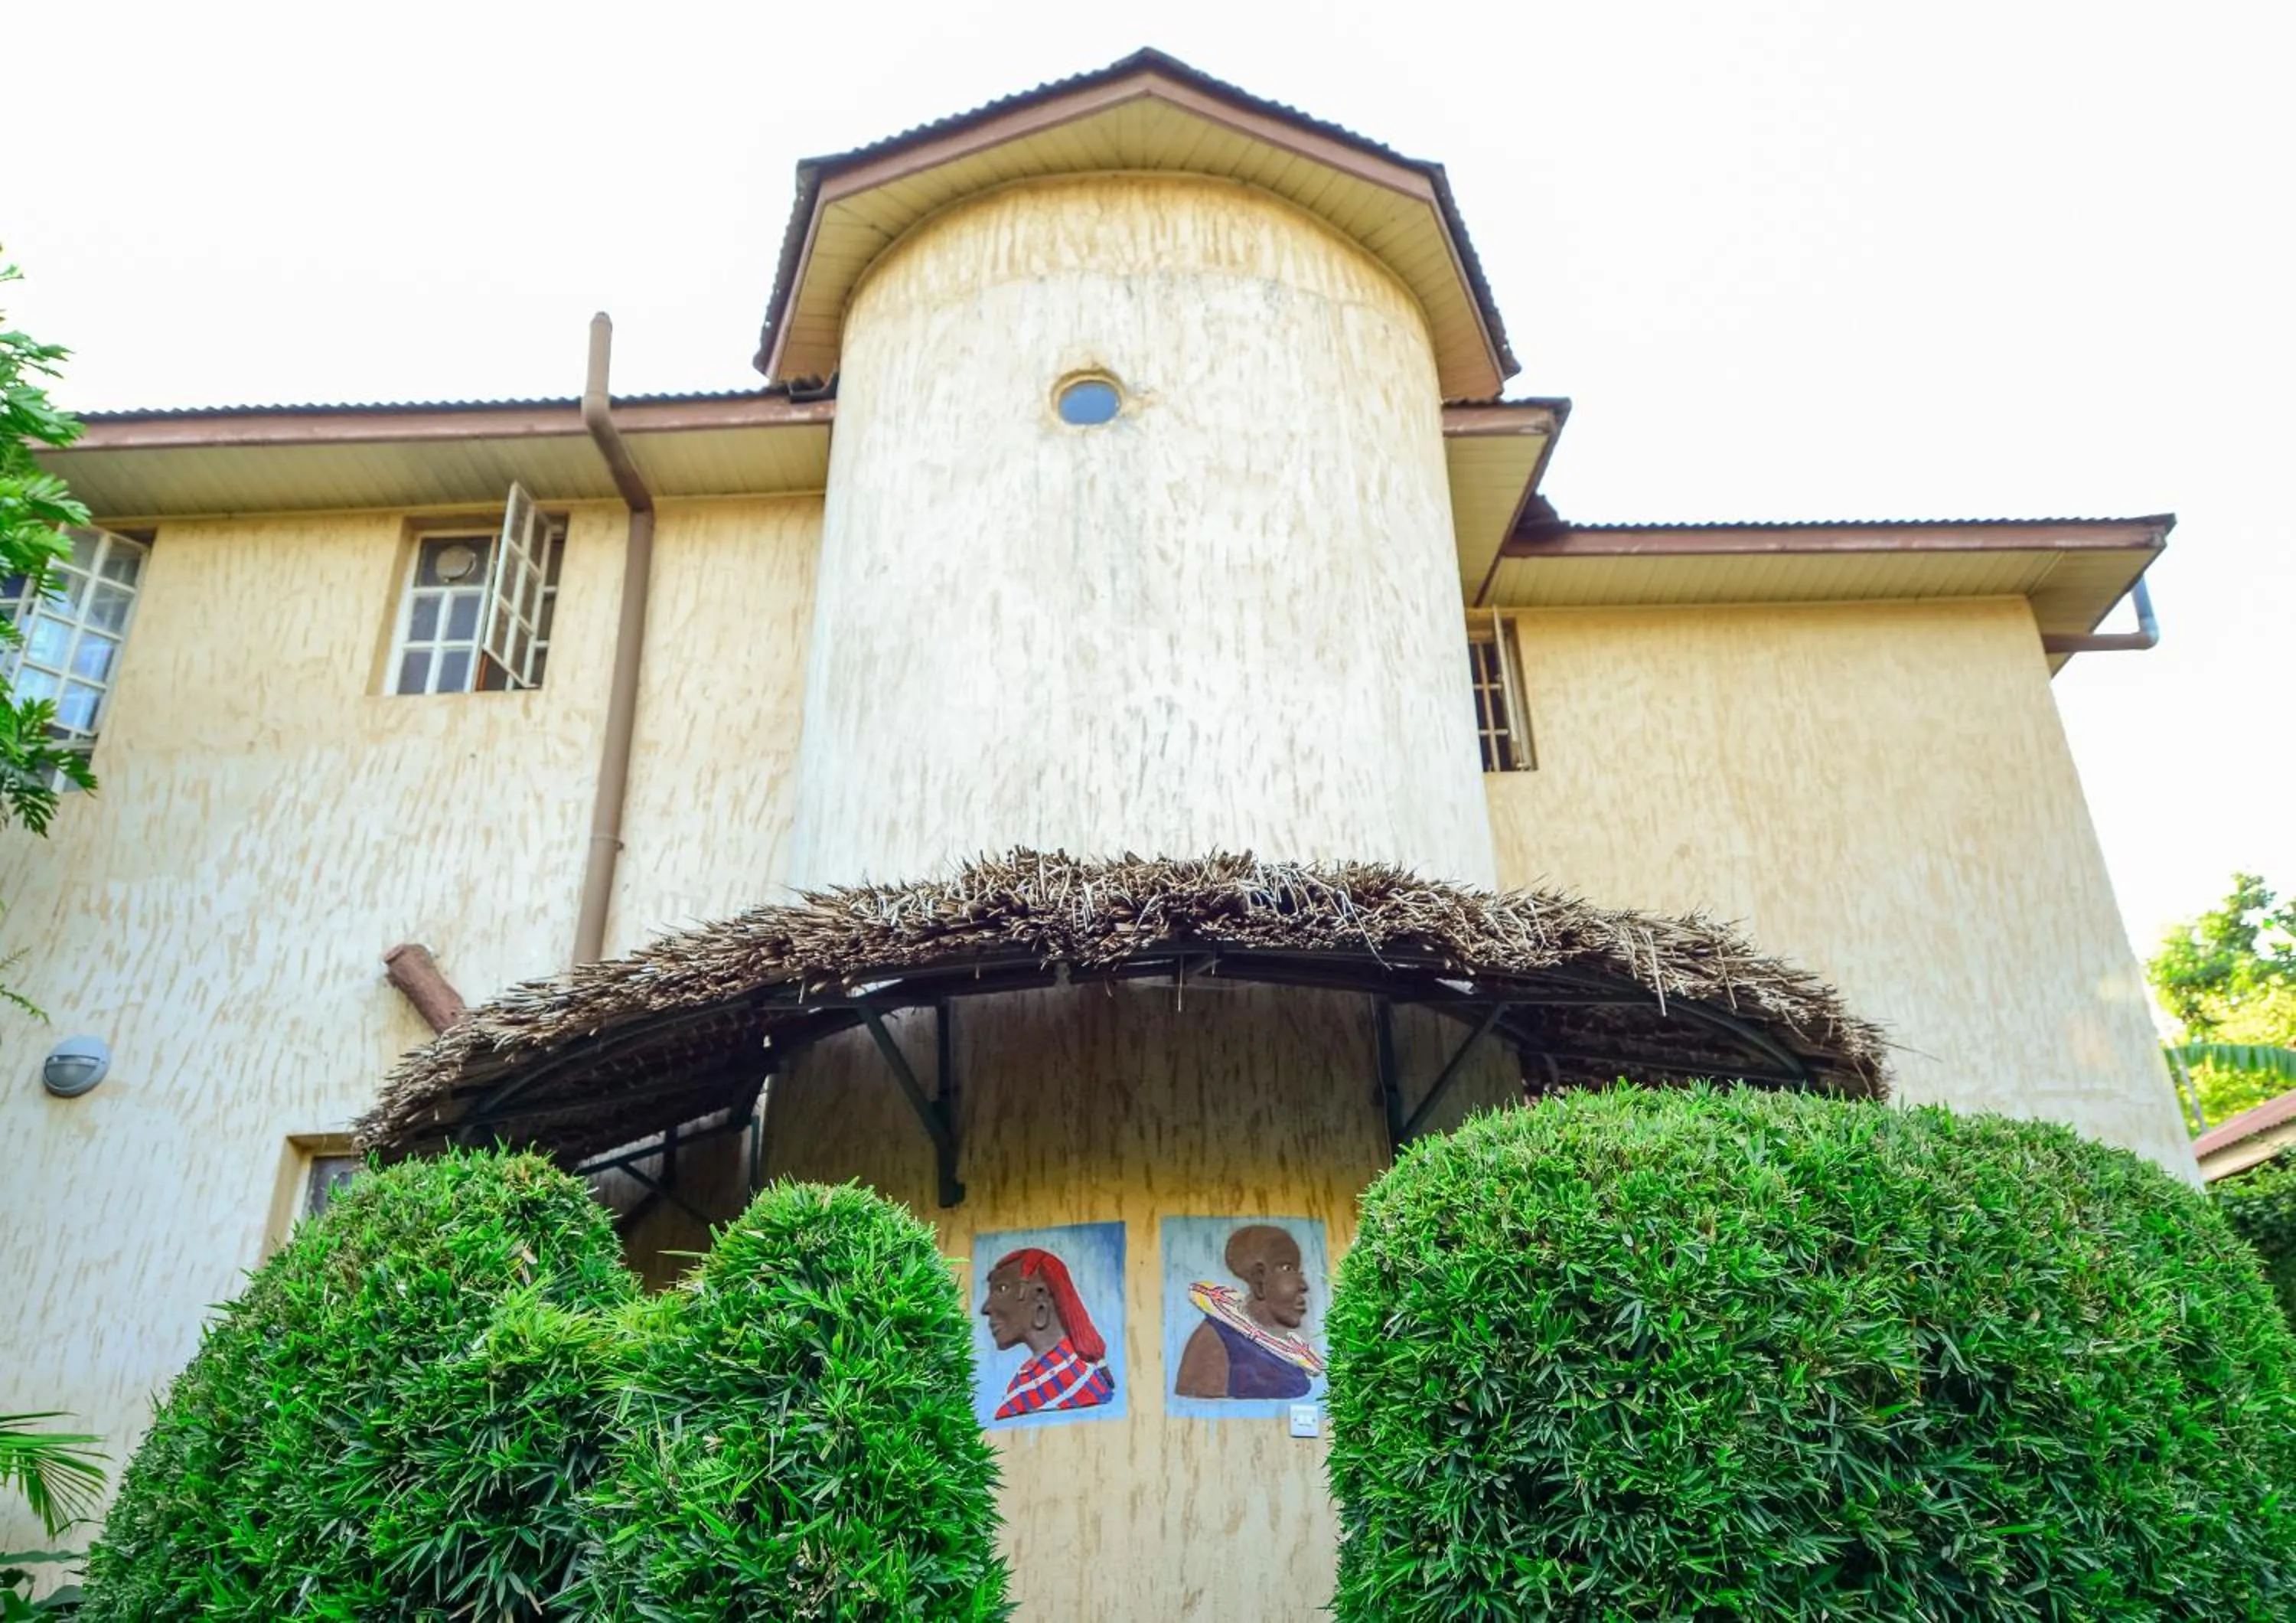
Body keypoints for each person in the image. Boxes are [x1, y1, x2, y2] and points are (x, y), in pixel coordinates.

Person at [1174, 1223, 1324, 1400]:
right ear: (1259, 1278)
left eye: (1299, 1272)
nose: (1303, 1285)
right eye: (1287, 1268)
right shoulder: (1214, 1341)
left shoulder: (1291, 1349)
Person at [980, 1246, 1114, 1419]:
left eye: (1002, 1288)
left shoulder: (1077, 1381)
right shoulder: (1028, 1377)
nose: (986, 1308)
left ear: (1040, 1297)